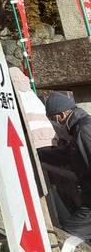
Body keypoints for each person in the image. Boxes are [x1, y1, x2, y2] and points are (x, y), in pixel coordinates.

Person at [45, 92, 91, 241]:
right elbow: (71, 154)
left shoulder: (83, 131)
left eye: (53, 118)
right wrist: (41, 153)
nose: (54, 122)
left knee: (69, 234)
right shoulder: (82, 126)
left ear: (62, 115)